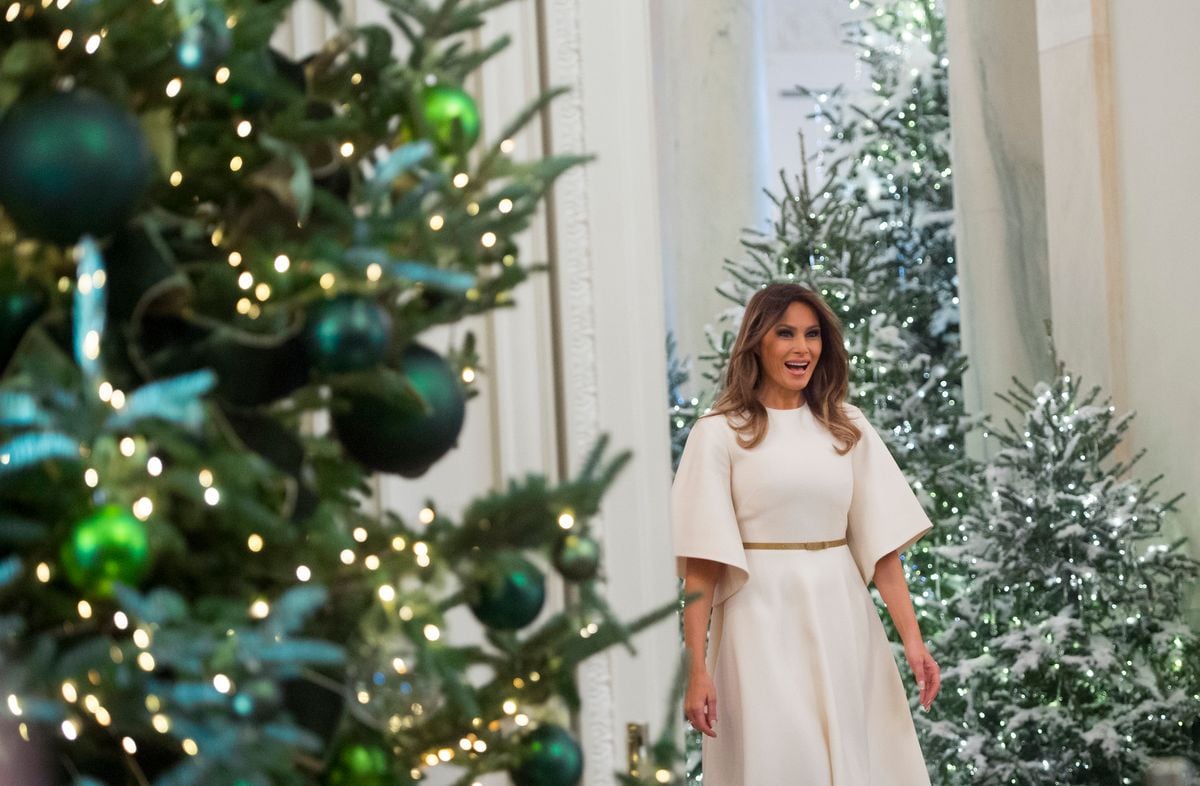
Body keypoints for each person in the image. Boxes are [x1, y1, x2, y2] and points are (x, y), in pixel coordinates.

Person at [673, 282, 941, 785]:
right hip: (758, 622)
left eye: (813, 335)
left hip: (842, 615)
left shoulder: (847, 427)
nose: (803, 348)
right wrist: (696, 669)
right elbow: (701, 564)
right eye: (786, 334)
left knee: (856, 758)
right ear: (757, 342)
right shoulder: (719, 433)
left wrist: (913, 642)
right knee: (781, 760)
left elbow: (882, 550)